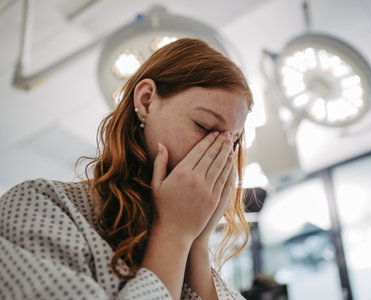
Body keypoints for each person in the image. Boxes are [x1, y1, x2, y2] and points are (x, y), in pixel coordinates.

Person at [0, 38, 253, 299]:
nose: (221, 156)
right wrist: (173, 233)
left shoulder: (222, 284)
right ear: (146, 101)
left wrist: (197, 242)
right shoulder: (42, 206)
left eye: (231, 142)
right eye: (204, 127)